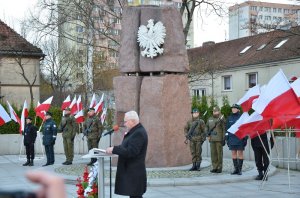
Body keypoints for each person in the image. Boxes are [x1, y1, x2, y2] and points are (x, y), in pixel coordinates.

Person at [106, 110, 148, 198]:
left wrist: (114, 149)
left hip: (134, 173)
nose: (124, 124)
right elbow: (126, 147)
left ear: (132, 121)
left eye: (126, 121)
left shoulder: (138, 133)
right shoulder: (135, 131)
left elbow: (131, 152)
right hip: (132, 173)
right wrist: (115, 149)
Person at [226, 104, 248, 175]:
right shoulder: (229, 118)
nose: (233, 109)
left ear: (238, 109)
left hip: (240, 138)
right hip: (232, 138)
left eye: (235, 108)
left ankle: (240, 170)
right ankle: (236, 169)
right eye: (232, 108)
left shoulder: (242, 117)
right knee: (233, 153)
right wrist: (227, 138)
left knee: (240, 153)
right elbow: (227, 129)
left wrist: (245, 138)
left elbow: (245, 128)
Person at [206, 106, 225, 173]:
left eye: (216, 111)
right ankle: (214, 167)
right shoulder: (210, 119)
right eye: (214, 111)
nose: (215, 112)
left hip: (219, 139)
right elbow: (206, 127)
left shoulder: (221, 118)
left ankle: (219, 167)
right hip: (212, 139)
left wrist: (223, 139)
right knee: (213, 154)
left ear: (219, 111)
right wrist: (207, 135)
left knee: (219, 154)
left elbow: (224, 129)